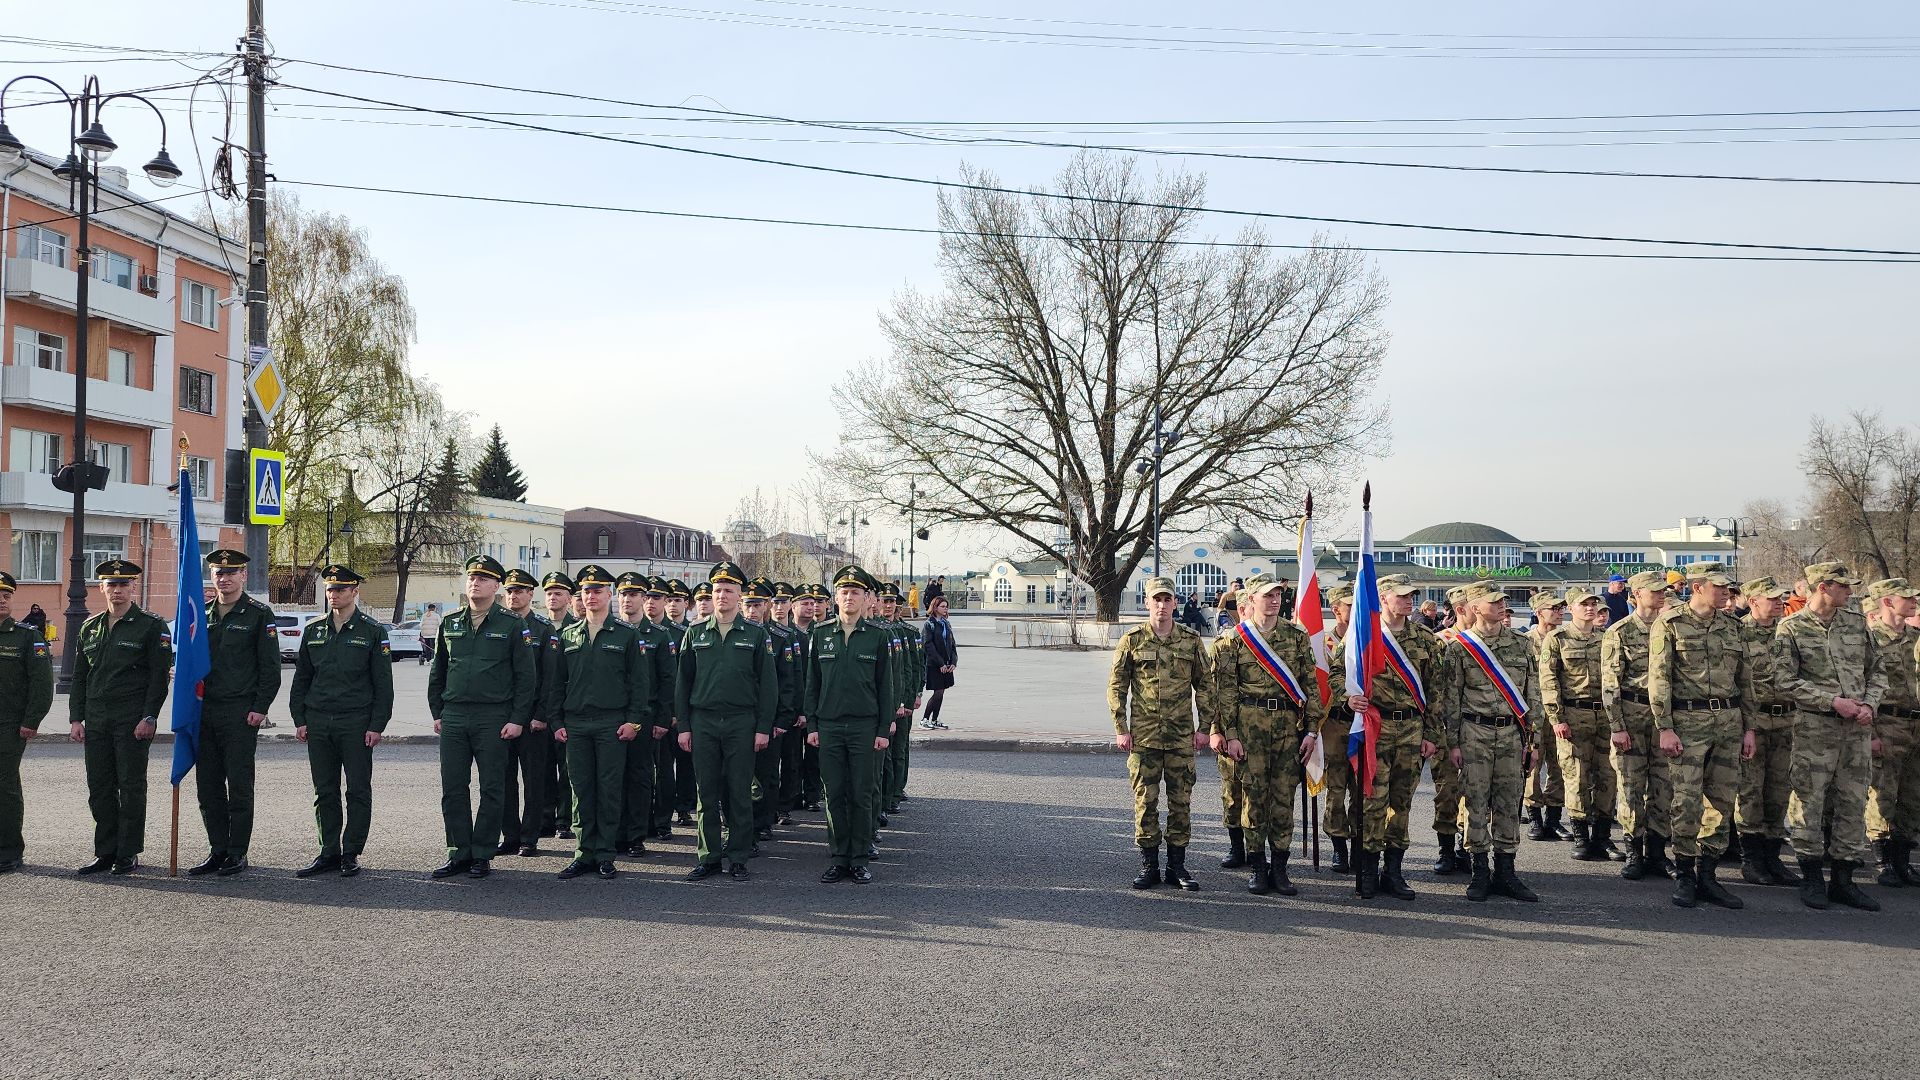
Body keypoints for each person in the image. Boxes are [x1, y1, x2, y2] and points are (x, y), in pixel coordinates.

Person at [1775, 561, 1885, 910]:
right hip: (1815, 728)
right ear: (1822, 587)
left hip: (1856, 730)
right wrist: (1832, 701)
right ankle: (1811, 879)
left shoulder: (1855, 623)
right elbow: (1783, 681)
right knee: (1810, 801)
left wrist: (1869, 704)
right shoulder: (1790, 628)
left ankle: (1843, 880)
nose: (1850, 591)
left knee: (1853, 801)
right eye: (1843, 585)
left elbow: (1877, 670)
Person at [1647, 562, 1756, 909]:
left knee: (1722, 801)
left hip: (1728, 721)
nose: (1726, 592)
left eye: (1728, 587)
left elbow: (1746, 680)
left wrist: (1749, 728)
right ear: (1697, 587)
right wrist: (1664, 727)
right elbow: (1659, 678)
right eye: (1719, 586)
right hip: (1687, 720)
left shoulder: (1732, 626)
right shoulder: (1670, 623)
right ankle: (1685, 874)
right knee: (1687, 801)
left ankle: (1709, 875)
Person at [1209, 573, 1325, 897]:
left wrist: (1312, 730)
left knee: (1284, 798)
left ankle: (1281, 868)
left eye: (1277, 595)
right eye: (1267, 595)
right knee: (1254, 798)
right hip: (1249, 725)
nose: (1274, 601)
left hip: (1288, 727)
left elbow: (1310, 685)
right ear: (1251, 600)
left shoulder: (1296, 636)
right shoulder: (1234, 640)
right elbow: (1225, 692)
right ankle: (1258, 867)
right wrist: (1229, 734)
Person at [426, 556, 537, 880]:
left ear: (496, 586)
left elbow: (525, 677)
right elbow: (439, 671)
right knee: (453, 788)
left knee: (492, 788)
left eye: (484, 578)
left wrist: (517, 718)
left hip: (494, 716)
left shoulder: (512, 624)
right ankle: (459, 852)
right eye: (472, 577)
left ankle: (482, 853)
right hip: (455, 715)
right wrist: (438, 711)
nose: (475, 583)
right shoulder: (450, 622)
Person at [549, 564, 653, 880]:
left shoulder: (626, 635)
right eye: (586, 591)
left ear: (609, 595)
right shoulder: (567, 635)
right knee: (580, 789)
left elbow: (639, 683)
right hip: (577, 724)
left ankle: (605, 853)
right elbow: (555, 684)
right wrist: (556, 721)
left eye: (597, 590)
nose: (591, 596)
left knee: (608, 789)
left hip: (611, 723)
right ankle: (583, 854)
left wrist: (634, 721)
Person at [1440, 581, 1542, 903]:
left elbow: (1532, 694)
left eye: (1503, 601)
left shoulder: (1523, 644)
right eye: (1493, 600)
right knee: (1476, 803)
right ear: (1473, 607)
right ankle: (1479, 871)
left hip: (1512, 734)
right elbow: (1451, 699)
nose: (1501, 605)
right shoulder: (1459, 648)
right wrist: (1453, 743)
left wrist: (1534, 739)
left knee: (1510, 802)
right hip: (1474, 734)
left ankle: (1507, 872)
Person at [69, 559, 171, 877]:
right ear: (101, 588)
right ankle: (105, 851)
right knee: (99, 788)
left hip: (131, 721)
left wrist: (150, 716)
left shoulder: (152, 626)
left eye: (123, 584)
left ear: (133, 588)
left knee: (130, 788)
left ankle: (127, 853)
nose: (117, 590)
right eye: (111, 585)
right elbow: (81, 676)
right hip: (97, 720)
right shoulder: (90, 627)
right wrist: (76, 718)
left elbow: (158, 678)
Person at [290, 565, 394, 879]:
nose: (334, 594)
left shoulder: (373, 631)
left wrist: (377, 724)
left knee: (358, 790)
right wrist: (300, 718)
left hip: (356, 721)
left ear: (354, 592)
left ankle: (351, 852)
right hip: (319, 720)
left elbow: (383, 684)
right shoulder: (314, 629)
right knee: (324, 790)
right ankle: (328, 851)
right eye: (330, 589)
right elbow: (302, 678)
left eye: (341, 589)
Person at [677, 561, 778, 881]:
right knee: (706, 793)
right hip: (704, 722)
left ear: (740, 595)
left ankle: (738, 856)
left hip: (741, 722)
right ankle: (708, 857)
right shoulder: (695, 633)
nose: (722, 595)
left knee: (739, 792)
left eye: (729, 590)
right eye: (717, 590)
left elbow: (769, 685)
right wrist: (684, 727)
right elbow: (683, 683)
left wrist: (763, 728)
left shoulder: (755, 634)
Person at [1109, 576, 1210, 890]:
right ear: (1148, 603)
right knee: (1146, 803)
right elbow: (1117, 687)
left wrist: (1205, 728)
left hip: (1181, 738)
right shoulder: (1132, 640)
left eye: (1167, 600)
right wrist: (1121, 729)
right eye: (1157, 600)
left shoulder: (1191, 640)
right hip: (1144, 738)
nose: (1162, 606)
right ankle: (1149, 865)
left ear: (1175, 603)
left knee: (1181, 803)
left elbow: (1205, 686)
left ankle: (1177, 867)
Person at [187, 549, 282, 878]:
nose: (224, 578)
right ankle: (218, 849)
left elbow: (270, 668)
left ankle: (238, 851)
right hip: (205, 712)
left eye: (231, 573)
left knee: (239, 785)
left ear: (243, 576)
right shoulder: (202, 615)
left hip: (240, 712)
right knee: (208, 786)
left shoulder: (258, 614)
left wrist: (260, 708)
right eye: (217, 572)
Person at [805, 565, 894, 883]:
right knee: (835, 794)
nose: (849, 597)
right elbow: (812, 684)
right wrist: (812, 724)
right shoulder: (820, 634)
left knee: (861, 793)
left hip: (864, 727)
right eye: (844, 591)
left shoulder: (877, 637)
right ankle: (839, 857)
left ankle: (858, 858)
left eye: (855, 592)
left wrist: (883, 729)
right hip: (828, 726)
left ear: (865, 597)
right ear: (835, 597)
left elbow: (886, 687)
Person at [1540, 587, 1621, 862]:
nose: (1590, 608)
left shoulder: (1608, 637)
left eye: (1593, 604)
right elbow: (1549, 681)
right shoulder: (1557, 639)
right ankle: (1581, 837)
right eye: (1583, 604)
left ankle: (1602, 837)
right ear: (1571, 608)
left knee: (1608, 777)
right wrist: (1556, 718)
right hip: (1574, 716)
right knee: (1576, 776)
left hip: (1606, 716)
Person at [1604, 570, 1674, 881]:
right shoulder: (1619, 631)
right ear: (1636, 596)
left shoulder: (1672, 629)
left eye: (1663, 591)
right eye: (1654, 591)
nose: (1661, 595)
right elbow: (1610, 683)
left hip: (1665, 718)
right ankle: (1634, 850)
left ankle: (1657, 852)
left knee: (1663, 785)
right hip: (1632, 713)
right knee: (1631, 786)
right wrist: (1617, 725)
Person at [1735, 576, 1800, 886]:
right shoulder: (1737, 633)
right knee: (1750, 792)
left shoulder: (1789, 632)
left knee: (1778, 791)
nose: (1778, 601)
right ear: (1753, 601)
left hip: (1786, 722)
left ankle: (1773, 859)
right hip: (1754, 723)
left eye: (1780, 597)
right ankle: (1752, 860)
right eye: (1771, 597)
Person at [498, 568, 562, 858]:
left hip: (532, 718)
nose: (514, 596)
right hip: (502, 715)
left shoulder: (542, 629)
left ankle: (529, 836)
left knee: (534, 781)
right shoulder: (497, 624)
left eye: (520, 591)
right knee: (502, 779)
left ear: (530, 595)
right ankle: (510, 835)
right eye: (510, 591)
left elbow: (550, 678)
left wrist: (542, 715)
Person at [1863, 578, 1920, 887]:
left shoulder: (1917, 638)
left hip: (1917, 724)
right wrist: (1870, 732)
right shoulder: (1868, 641)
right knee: (1884, 792)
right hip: (1886, 723)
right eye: (1906, 597)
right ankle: (1883, 860)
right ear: (1886, 602)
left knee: (1913, 795)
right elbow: (1860, 687)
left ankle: (1902, 860)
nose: (1913, 601)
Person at [0, 573, 53, 875]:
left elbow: (42, 684)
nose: (1, 600)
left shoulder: (27, 636)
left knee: (4, 785)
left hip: (8, 725)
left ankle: (9, 850)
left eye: (6, 595)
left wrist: (32, 721)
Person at [743, 578, 797, 843]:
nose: (752, 611)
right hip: (741, 718)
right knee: (739, 775)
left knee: (766, 774)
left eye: (757, 605)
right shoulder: (738, 633)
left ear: (766, 606)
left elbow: (788, 682)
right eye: (748, 604)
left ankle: (763, 822)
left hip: (770, 718)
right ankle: (741, 824)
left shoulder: (779, 637)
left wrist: (782, 718)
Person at [634, 577, 680, 843]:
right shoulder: (627, 629)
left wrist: (671, 713)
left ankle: (662, 821)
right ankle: (639, 821)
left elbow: (672, 679)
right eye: (647, 597)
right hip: (634, 712)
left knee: (663, 770)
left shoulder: (673, 633)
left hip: (660, 712)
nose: (651, 602)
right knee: (637, 773)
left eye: (656, 597)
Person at [1523, 592, 1570, 842]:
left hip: (1560, 712)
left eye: (1562, 608)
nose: (1560, 612)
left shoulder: (1565, 639)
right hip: (1535, 712)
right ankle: (1534, 818)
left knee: (1561, 764)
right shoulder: (1526, 641)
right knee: (1533, 765)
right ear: (1539, 613)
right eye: (1554, 608)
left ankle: (1554, 819)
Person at [1320, 584, 1356, 874]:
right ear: (1336, 609)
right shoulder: (1321, 643)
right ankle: (1338, 845)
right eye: (1349, 605)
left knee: (1362, 789)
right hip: (1332, 722)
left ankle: (1359, 843)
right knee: (1336, 787)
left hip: (1363, 723)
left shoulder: (1367, 639)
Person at [540, 571, 579, 842]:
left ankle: (564, 820)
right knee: (542, 771)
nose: (553, 598)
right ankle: (544, 819)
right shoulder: (538, 629)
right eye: (550, 593)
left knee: (567, 771)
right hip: (540, 713)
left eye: (559, 593)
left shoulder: (575, 629)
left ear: (568, 598)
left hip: (566, 712)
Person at [921, 595, 957, 730]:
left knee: (941, 692)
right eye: (942, 606)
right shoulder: (929, 624)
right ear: (935, 607)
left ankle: (935, 719)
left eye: (946, 606)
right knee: (938, 692)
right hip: (934, 664)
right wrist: (940, 663)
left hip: (946, 664)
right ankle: (925, 719)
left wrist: (953, 661)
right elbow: (928, 645)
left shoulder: (946, 623)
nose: (945, 609)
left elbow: (952, 643)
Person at [418, 603, 443, 667]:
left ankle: (428, 660)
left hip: (425, 635)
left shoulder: (424, 615)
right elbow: (440, 624)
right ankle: (432, 659)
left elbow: (420, 625)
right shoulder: (437, 615)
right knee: (433, 647)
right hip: (434, 635)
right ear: (434, 609)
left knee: (427, 648)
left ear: (428, 609)